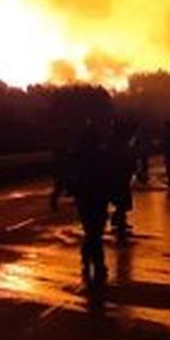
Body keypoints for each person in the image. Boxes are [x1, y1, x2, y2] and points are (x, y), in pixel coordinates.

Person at [69, 121, 111, 286]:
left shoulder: (78, 156)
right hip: (98, 198)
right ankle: (97, 263)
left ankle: (88, 259)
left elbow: (71, 177)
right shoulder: (102, 156)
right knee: (96, 232)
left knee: (90, 231)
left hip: (85, 199)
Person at [107, 119, 136, 240]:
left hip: (119, 174)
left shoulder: (114, 140)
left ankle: (119, 220)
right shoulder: (118, 142)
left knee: (121, 200)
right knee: (122, 199)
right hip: (119, 174)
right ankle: (118, 220)